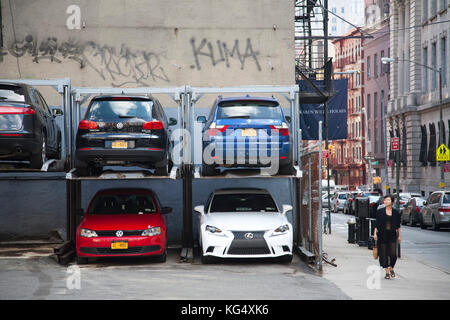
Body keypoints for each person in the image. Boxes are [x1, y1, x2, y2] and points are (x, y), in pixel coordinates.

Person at [373, 195, 401, 279]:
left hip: (392, 234)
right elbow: (377, 224)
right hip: (382, 234)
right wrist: (375, 234)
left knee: (393, 254)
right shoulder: (380, 211)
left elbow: (398, 225)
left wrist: (399, 236)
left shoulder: (396, 212)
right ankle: (387, 272)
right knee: (383, 254)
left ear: (392, 202)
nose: (386, 201)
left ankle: (391, 267)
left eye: (388, 200)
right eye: (385, 200)